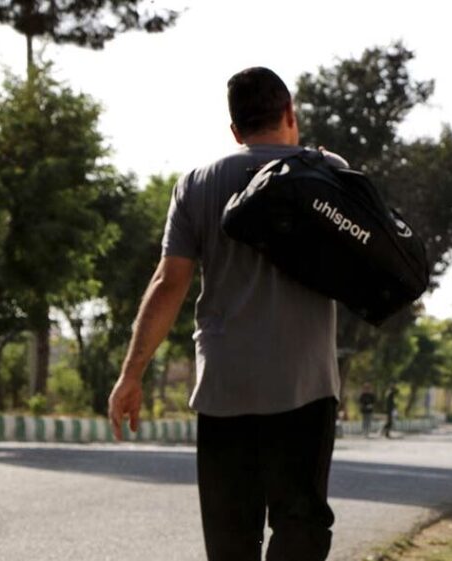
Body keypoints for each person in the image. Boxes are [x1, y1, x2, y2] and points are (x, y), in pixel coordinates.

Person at [107, 67, 347, 561]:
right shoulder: (328, 172)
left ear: (235, 130)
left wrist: (131, 374)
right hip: (304, 385)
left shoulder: (196, 185)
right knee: (300, 525)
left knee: (230, 540)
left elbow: (168, 284)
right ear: (289, 114)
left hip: (224, 389)